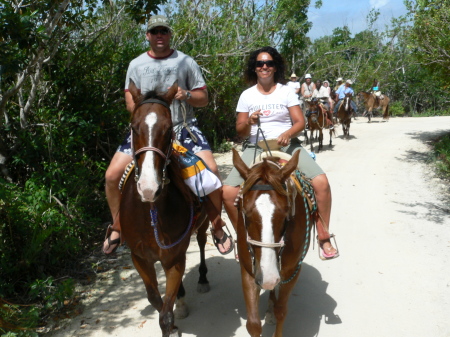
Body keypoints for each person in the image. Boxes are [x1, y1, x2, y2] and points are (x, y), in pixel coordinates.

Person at [103, 15, 233, 255]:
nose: (159, 35)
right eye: (155, 32)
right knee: (112, 175)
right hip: (147, 130)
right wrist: (145, 114)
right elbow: (129, 101)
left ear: (169, 34)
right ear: (147, 36)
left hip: (183, 126)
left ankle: (216, 224)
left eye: (163, 31)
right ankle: (118, 225)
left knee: (212, 171)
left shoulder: (185, 62)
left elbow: (203, 98)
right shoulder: (136, 64)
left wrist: (188, 95)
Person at [222, 46, 339, 260]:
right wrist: (249, 122)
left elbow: (300, 122)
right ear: (254, 68)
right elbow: (240, 130)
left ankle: (323, 234)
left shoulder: (285, 91)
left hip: (286, 145)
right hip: (255, 146)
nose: (264, 67)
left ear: (276, 67)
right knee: (228, 192)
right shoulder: (246, 95)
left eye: (269, 63)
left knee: (321, 182)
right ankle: (244, 237)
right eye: (260, 64)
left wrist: (288, 133)